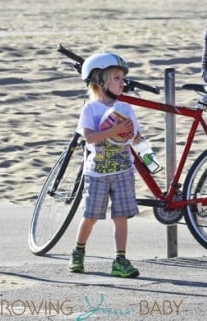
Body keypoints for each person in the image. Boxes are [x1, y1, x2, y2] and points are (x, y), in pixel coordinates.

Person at [68, 52, 142, 278]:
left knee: (120, 217)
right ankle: (78, 252)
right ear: (99, 80)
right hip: (97, 173)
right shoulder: (90, 109)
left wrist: (136, 138)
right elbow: (89, 137)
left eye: (123, 78)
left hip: (123, 171)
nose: (123, 82)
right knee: (91, 216)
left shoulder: (126, 108)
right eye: (117, 77)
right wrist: (113, 130)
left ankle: (120, 259)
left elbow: (136, 137)